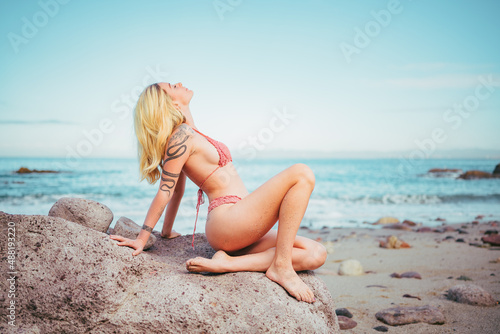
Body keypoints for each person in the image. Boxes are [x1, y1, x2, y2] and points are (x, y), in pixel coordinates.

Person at [110, 82, 327, 303]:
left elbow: (178, 191)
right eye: (172, 86)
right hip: (228, 221)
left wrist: (166, 232)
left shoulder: (190, 132)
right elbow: (166, 191)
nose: (180, 84)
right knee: (302, 173)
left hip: (241, 225)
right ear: (171, 103)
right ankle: (282, 266)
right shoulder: (180, 136)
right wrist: (142, 238)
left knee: (315, 253)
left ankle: (228, 263)